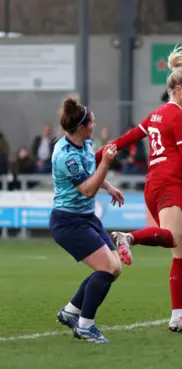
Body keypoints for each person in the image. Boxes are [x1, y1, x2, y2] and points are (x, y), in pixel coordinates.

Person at [98, 44, 182, 334]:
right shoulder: (180, 118)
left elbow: (127, 137)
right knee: (170, 238)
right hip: (170, 185)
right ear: (178, 88)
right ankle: (126, 237)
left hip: (153, 186)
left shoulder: (157, 114)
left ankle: (178, 317)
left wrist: (96, 157)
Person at [51, 97, 124, 343]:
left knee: (115, 269)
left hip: (86, 217)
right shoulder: (65, 156)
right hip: (68, 222)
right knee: (108, 268)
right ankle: (85, 325)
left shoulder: (85, 143)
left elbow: (91, 174)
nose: (94, 123)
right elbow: (87, 189)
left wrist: (110, 186)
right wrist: (106, 164)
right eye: (91, 121)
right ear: (81, 126)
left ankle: (71, 311)